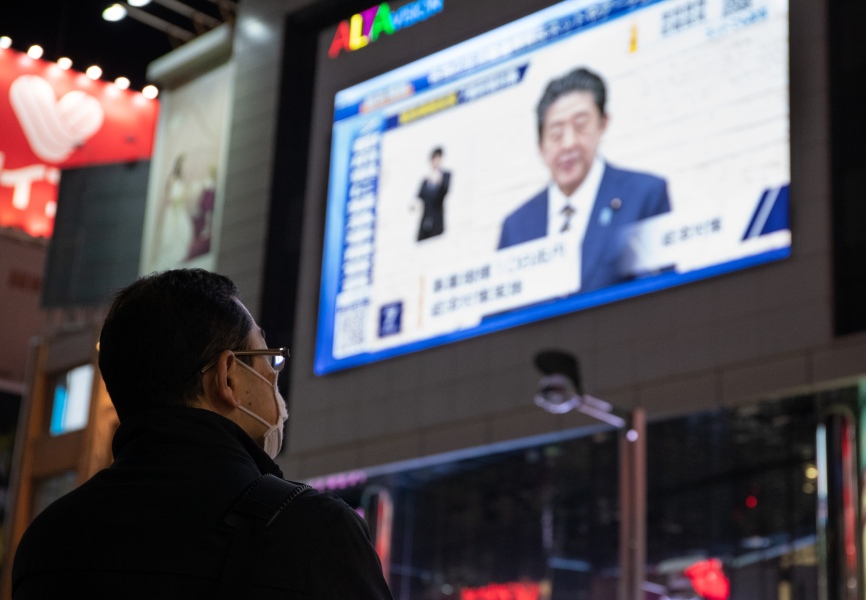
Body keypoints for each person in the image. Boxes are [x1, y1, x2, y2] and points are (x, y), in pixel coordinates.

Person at [12, 269, 393, 600]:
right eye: (266, 358)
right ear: (227, 376)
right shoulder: (315, 531)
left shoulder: (47, 542)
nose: (274, 377)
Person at [498, 67, 670, 292]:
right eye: (556, 134)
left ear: (602, 124)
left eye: (580, 126)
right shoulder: (516, 227)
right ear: (541, 147)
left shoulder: (645, 195)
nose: (569, 143)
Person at [415, 147, 451, 241]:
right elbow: (419, 197)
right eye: (434, 159)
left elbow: (445, 191)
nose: (436, 161)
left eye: (438, 158)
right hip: (425, 222)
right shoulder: (425, 180)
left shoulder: (445, 175)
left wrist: (439, 182)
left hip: (438, 221)